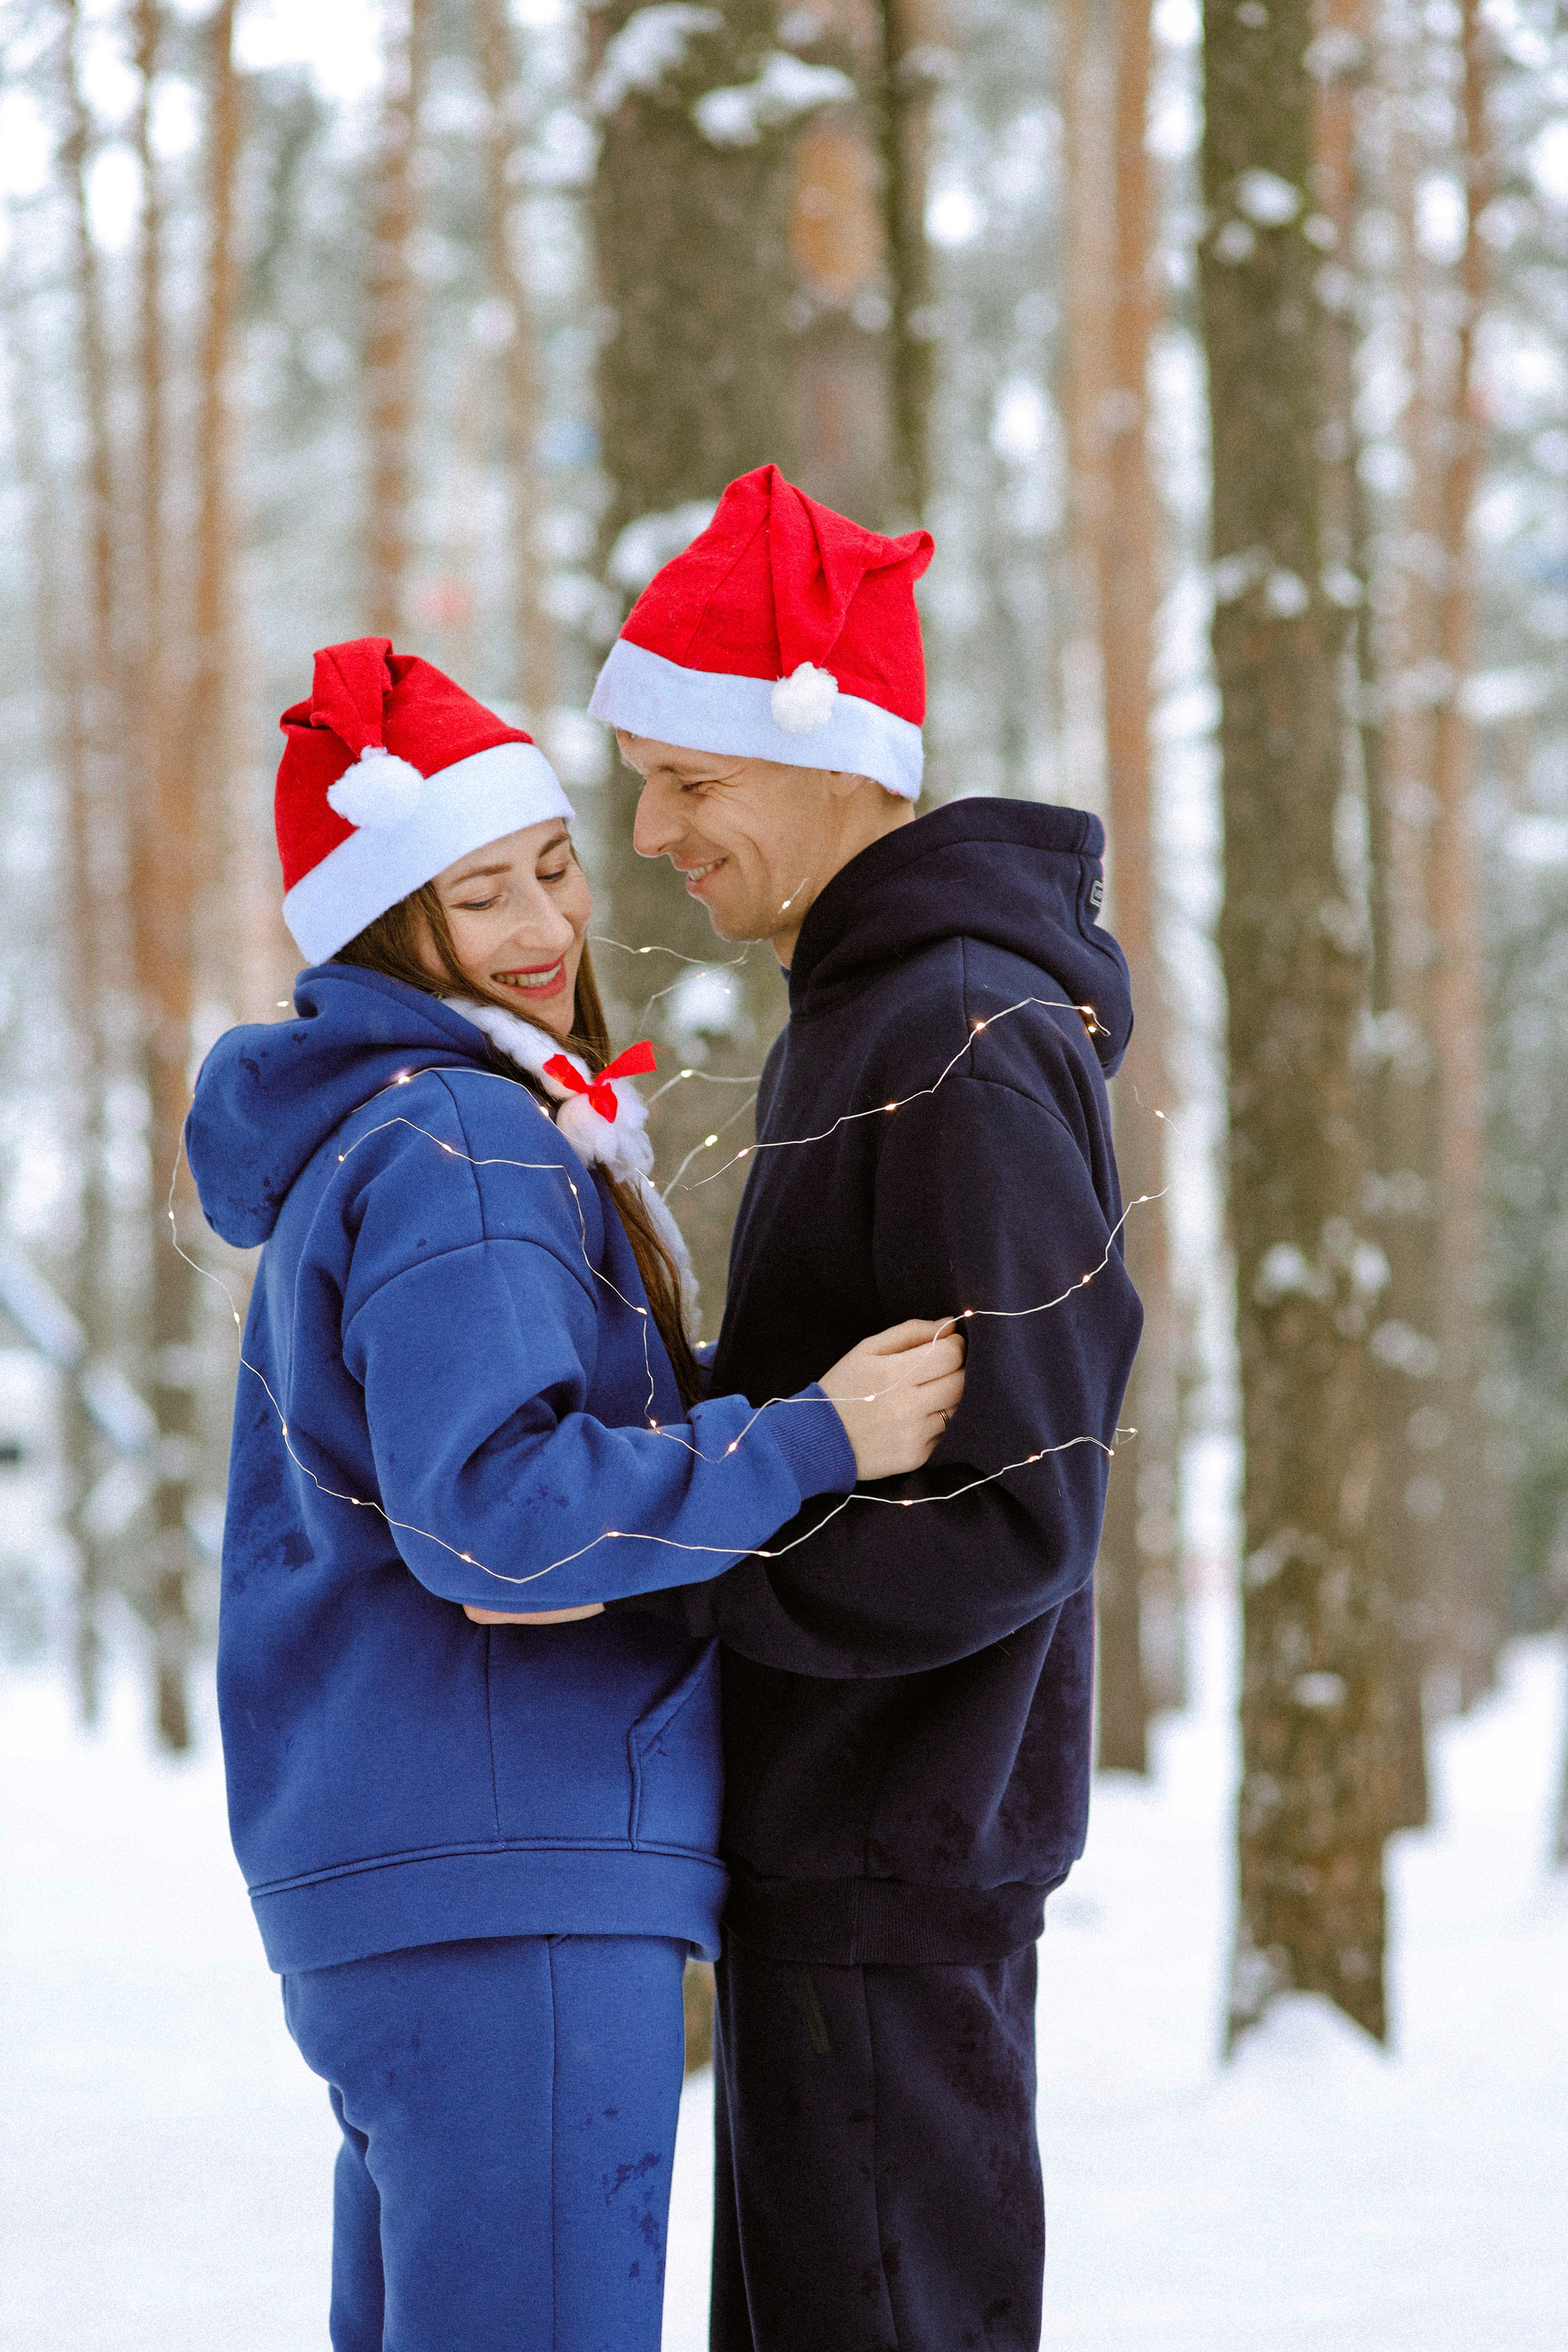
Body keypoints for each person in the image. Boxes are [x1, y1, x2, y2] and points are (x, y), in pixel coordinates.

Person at [184, 635, 965, 2352]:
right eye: (479, 900)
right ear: (393, 930)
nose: (544, 930)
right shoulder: (464, 1143)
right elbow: (493, 1520)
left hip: (428, 1870)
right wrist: (813, 1435)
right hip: (510, 1870)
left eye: (554, 870)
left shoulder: (383, 1137)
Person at [587, 465, 1144, 2352]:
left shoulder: (962, 1035)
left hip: (900, 1850)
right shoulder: (866, 1012)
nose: (653, 831)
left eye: (691, 779)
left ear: (829, 751)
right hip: (836, 1845)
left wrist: (680, 1576)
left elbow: (1021, 1502)